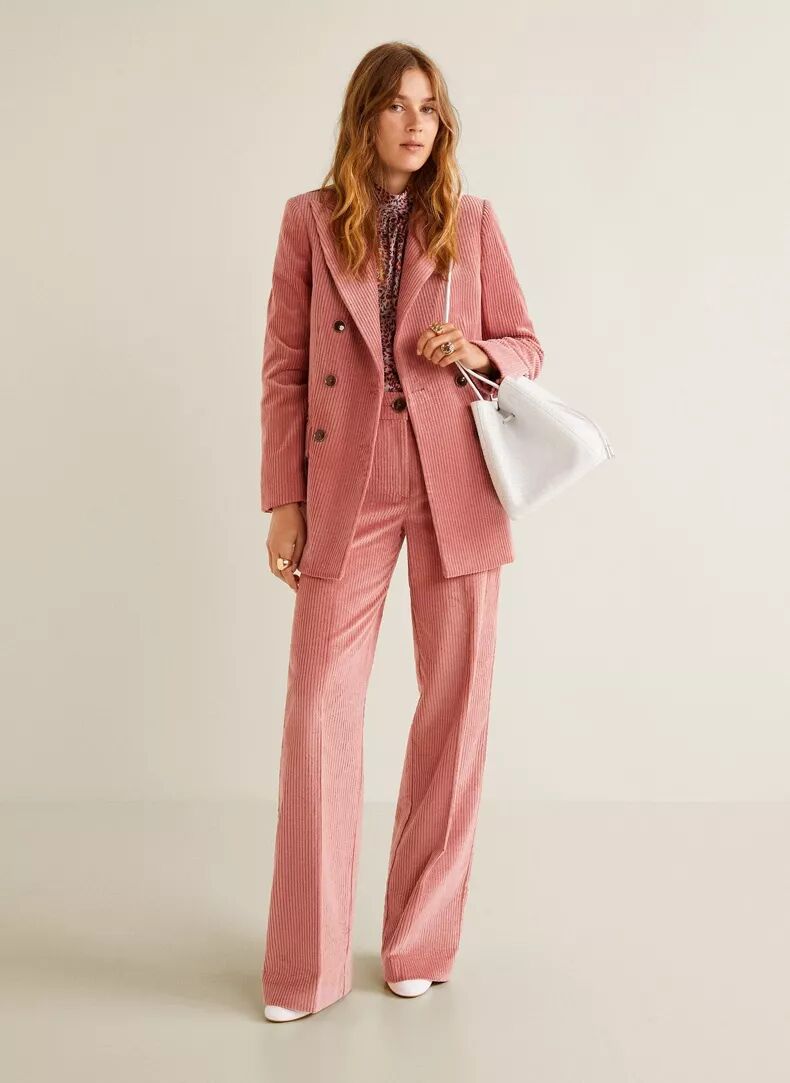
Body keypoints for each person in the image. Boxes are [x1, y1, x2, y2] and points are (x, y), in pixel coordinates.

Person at [259, 42, 544, 1022]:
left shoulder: (471, 221)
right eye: (395, 106)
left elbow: (527, 344)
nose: (415, 123)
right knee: (318, 707)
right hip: (347, 482)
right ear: (365, 118)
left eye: (428, 106)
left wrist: (478, 349)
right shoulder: (308, 221)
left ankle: (419, 940)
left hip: (456, 480)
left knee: (454, 708)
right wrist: (285, 499)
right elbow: (285, 367)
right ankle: (306, 965)